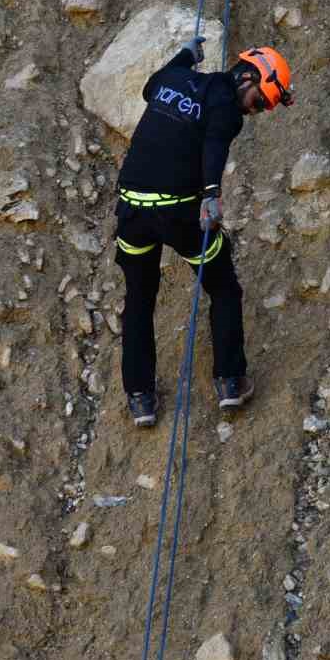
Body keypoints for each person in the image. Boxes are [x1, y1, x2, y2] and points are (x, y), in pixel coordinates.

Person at [112, 37, 294, 427]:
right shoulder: (226, 109)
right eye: (260, 100)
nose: (257, 111)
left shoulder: (173, 78)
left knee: (140, 298)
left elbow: (151, 86)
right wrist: (211, 193)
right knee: (224, 286)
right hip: (177, 213)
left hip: (131, 208)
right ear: (247, 75)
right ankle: (230, 380)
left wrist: (185, 53)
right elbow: (214, 145)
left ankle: (140, 397)